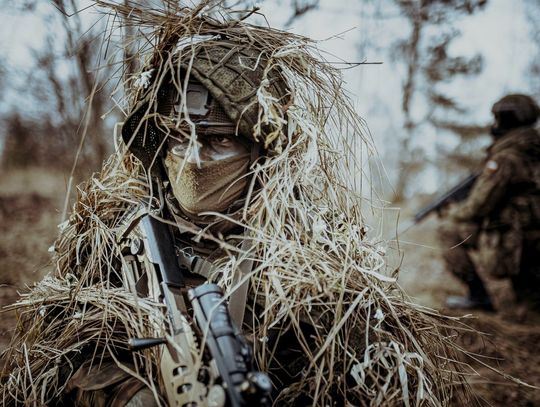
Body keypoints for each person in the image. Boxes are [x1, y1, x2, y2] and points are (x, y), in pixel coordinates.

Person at [1, 3, 477, 406]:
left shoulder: (311, 257)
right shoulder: (110, 234)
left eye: (216, 140)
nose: (192, 157)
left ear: (260, 149)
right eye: (176, 137)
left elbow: (350, 380)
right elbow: (62, 364)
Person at [439, 93, 540, 312]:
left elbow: (478, 205)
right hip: (529, 234)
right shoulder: (531, 150)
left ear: (507, 120)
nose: (493, 125)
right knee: (529, 306)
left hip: (515, 237)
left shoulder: (506, 158)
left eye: (497, 119)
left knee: (447, 230)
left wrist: (453, 212)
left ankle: (479, 298)